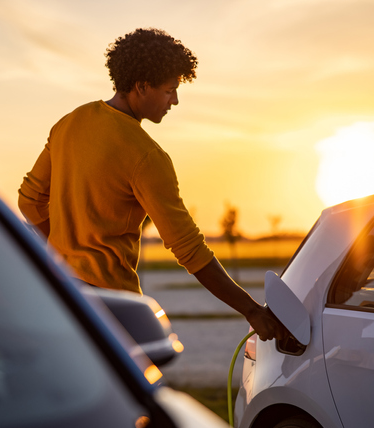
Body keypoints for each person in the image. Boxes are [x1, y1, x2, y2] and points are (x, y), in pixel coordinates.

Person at [18, 28, 285, 341]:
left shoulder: (69, 123)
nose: (175, 100)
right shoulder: (146, 156)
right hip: (114, 307)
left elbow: (29, 201)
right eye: (169, 90)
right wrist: (251, 310)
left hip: (60, 294)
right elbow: (189, 249)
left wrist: (65, 254)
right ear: (142, 87)